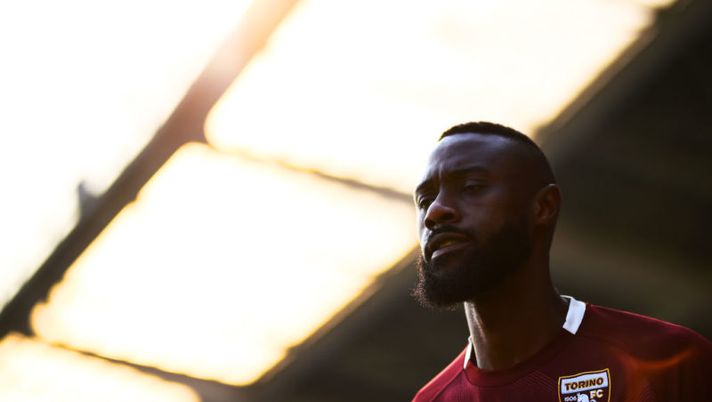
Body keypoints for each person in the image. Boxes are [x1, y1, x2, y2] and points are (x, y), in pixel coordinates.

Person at [411, 122, 712, 402]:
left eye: (472, 187)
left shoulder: (666, 360)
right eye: (424, 201)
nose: (435, 211)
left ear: (543, 207)